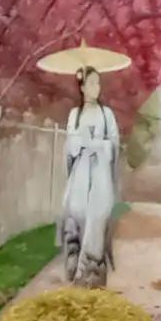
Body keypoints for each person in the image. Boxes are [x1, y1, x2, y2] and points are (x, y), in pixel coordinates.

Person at [55, 67, 121, 289]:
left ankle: (92, 274)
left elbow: (114, 144)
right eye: (91, 84)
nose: (96, 88)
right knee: (76, 214)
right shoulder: (75, 115)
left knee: (98, 217)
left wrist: (99, 145)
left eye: (98, 83)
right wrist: (80, 142)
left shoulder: (106, 114)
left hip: (101, 173)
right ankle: (75, 268)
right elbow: (70, 147)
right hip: (81, 174)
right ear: (82, 87)